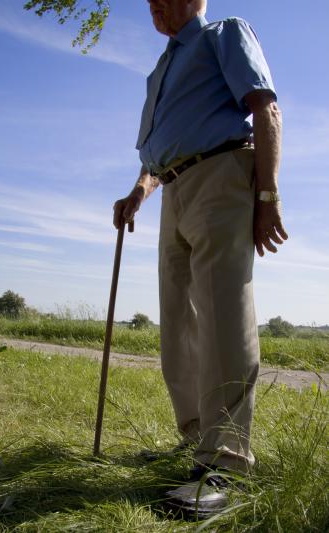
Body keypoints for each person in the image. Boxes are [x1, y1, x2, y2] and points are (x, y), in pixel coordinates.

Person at [113, 0, 288, 517]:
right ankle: (196, 442)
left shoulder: (222, 35)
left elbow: (265, 108)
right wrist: (137, 193)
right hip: (173, 190)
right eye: (148, 1)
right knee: (180, 326)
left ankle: (227, 463)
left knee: (221, 318)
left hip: (221, 176)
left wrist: (267, 194)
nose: (154, 6)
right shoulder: (159, 69)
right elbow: (155, 154)